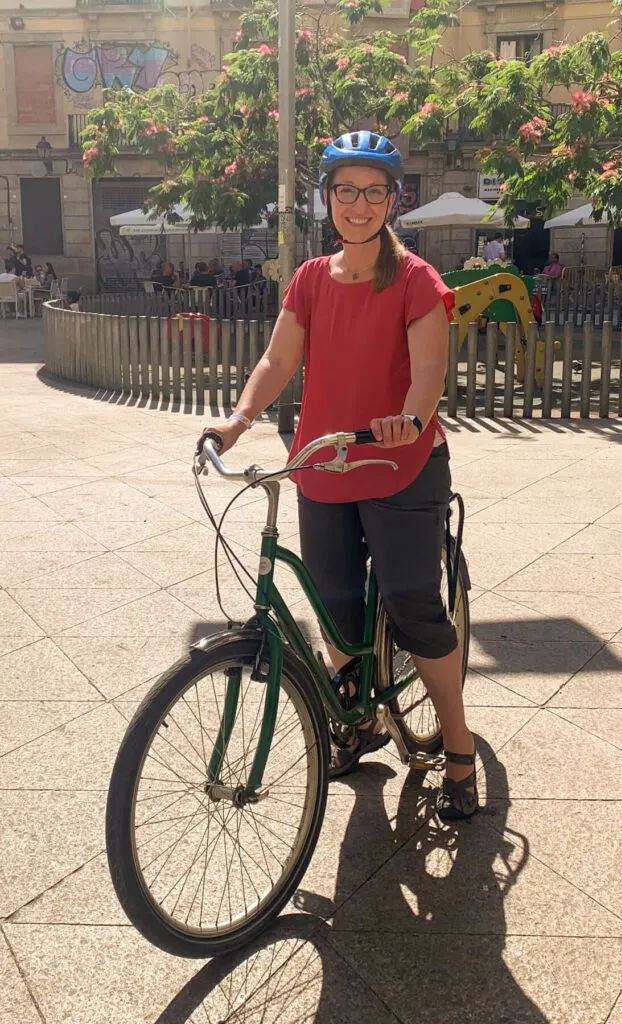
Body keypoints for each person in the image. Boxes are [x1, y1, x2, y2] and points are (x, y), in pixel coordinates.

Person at [197, 131, 478, 823]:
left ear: (392, 200)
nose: (358, 204)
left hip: (399, 463)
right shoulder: (311, 279)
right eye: (345, 191)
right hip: (322, 463)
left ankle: (460, 744)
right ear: (327, 199)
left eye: (372, 191)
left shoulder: (415, 279)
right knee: (334, 606)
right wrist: (236, 421)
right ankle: (361, 721)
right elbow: (276, 361)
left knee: (414, 607)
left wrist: (408, 420)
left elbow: (427, 374)